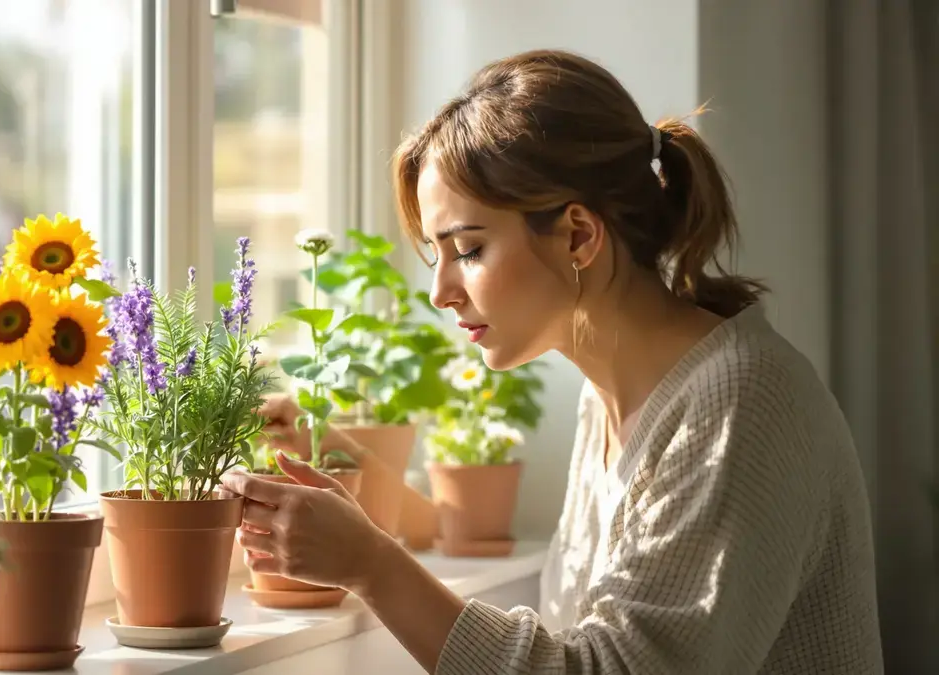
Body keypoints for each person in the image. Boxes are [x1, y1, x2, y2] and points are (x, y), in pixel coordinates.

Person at [221, 49, 883, 674]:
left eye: (469, 249)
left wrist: (372, 565)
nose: (440, 291)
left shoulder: (743, 402)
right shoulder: (610, 399)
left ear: (579, 234)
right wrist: (331, 456)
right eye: (437, 252)